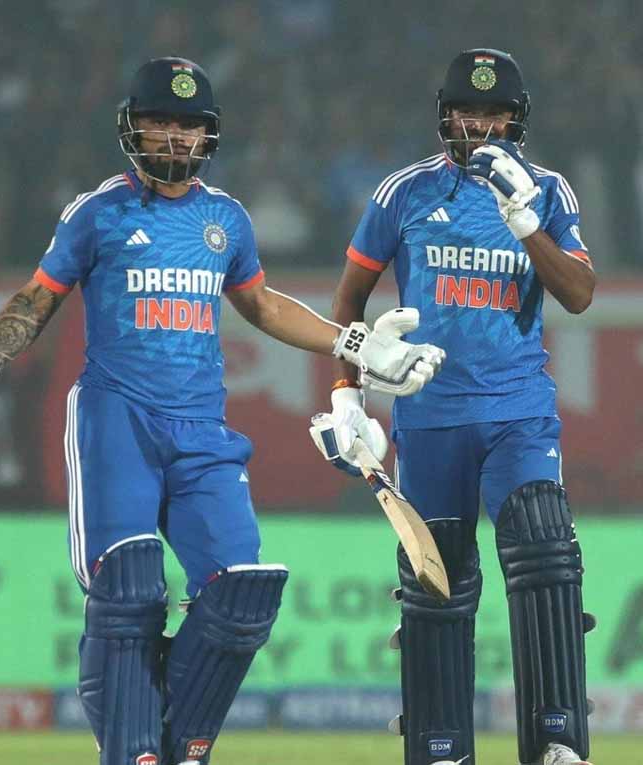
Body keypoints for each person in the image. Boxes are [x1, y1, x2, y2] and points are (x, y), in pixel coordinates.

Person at [0, 57, 444, 765]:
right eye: (159, 122)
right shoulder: (98, 213)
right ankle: (133, 751)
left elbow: (262, 305)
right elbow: (37, 298)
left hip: (202, 433)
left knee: (243, 595)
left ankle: (170, 749)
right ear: (131, 128)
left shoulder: (225, 219)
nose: (174, 137)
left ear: (209, 135)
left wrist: (352, 343)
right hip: (118, 420)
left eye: (189, 125)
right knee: (130, 590)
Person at [313, 49, 596, 765]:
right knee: (436, 580)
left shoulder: (548, 190)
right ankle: (439, 746)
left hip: (517, 411)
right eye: (469, 113)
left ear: (516, 120)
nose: (481, 127)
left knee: (543, 548)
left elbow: (579, 294)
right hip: (429, 415)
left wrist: (524, 221)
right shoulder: (404, 192)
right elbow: (348, 302)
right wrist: (347, 394)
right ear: (446, 118)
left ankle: (557, 737)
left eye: (495, 115)